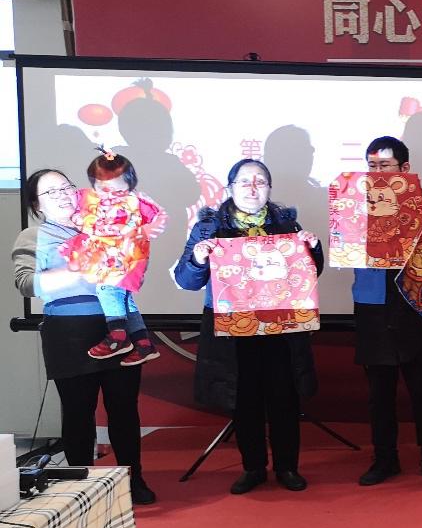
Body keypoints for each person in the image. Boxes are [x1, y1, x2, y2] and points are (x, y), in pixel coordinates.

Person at [173, 159, 323, 494]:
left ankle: (287, 467)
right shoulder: (208, 227)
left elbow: (310, 273)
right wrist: (198, 258)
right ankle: (253, 467)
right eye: (244, 181)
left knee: (284, 398)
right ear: (230, 188)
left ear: (269, 188)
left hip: (280, 325)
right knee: (244, 398)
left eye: (260, 181)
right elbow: (186, 280)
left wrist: (313, 248)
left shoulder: (287, 224)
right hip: (232, 329)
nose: (252, 188)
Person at [11, 169, 155, 504]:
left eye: (66, 187)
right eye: (51, 192)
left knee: (124, 408)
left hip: (119, 325)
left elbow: (131, 273)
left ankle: (133, 478)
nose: (62, 195)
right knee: (78, 412)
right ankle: (82, 487)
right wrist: (75, 268)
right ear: (37, 205)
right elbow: (25, 283)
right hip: (69, 333)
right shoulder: (34, 236)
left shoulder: (102, 226)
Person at [352, 136, 422, 486]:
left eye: (385, 165)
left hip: (413, 305)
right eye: (372, 166)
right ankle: (384, 458)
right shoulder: (353, 204)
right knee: (379, 393)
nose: (377, 172)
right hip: (372, 305)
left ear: (405, 169)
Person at [63, 150, 162, 366]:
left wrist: (143, 231)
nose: (109, 193)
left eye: (117, 188)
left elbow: (157, 217)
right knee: (124, 299)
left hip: (125, 255)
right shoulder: (89, 198)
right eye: (102, 187)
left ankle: (118, 336)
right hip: (105, 254)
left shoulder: (135, 202)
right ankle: (144, 344)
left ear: (129, 185)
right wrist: (77, 217)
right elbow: (72, 203)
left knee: (106, 288)